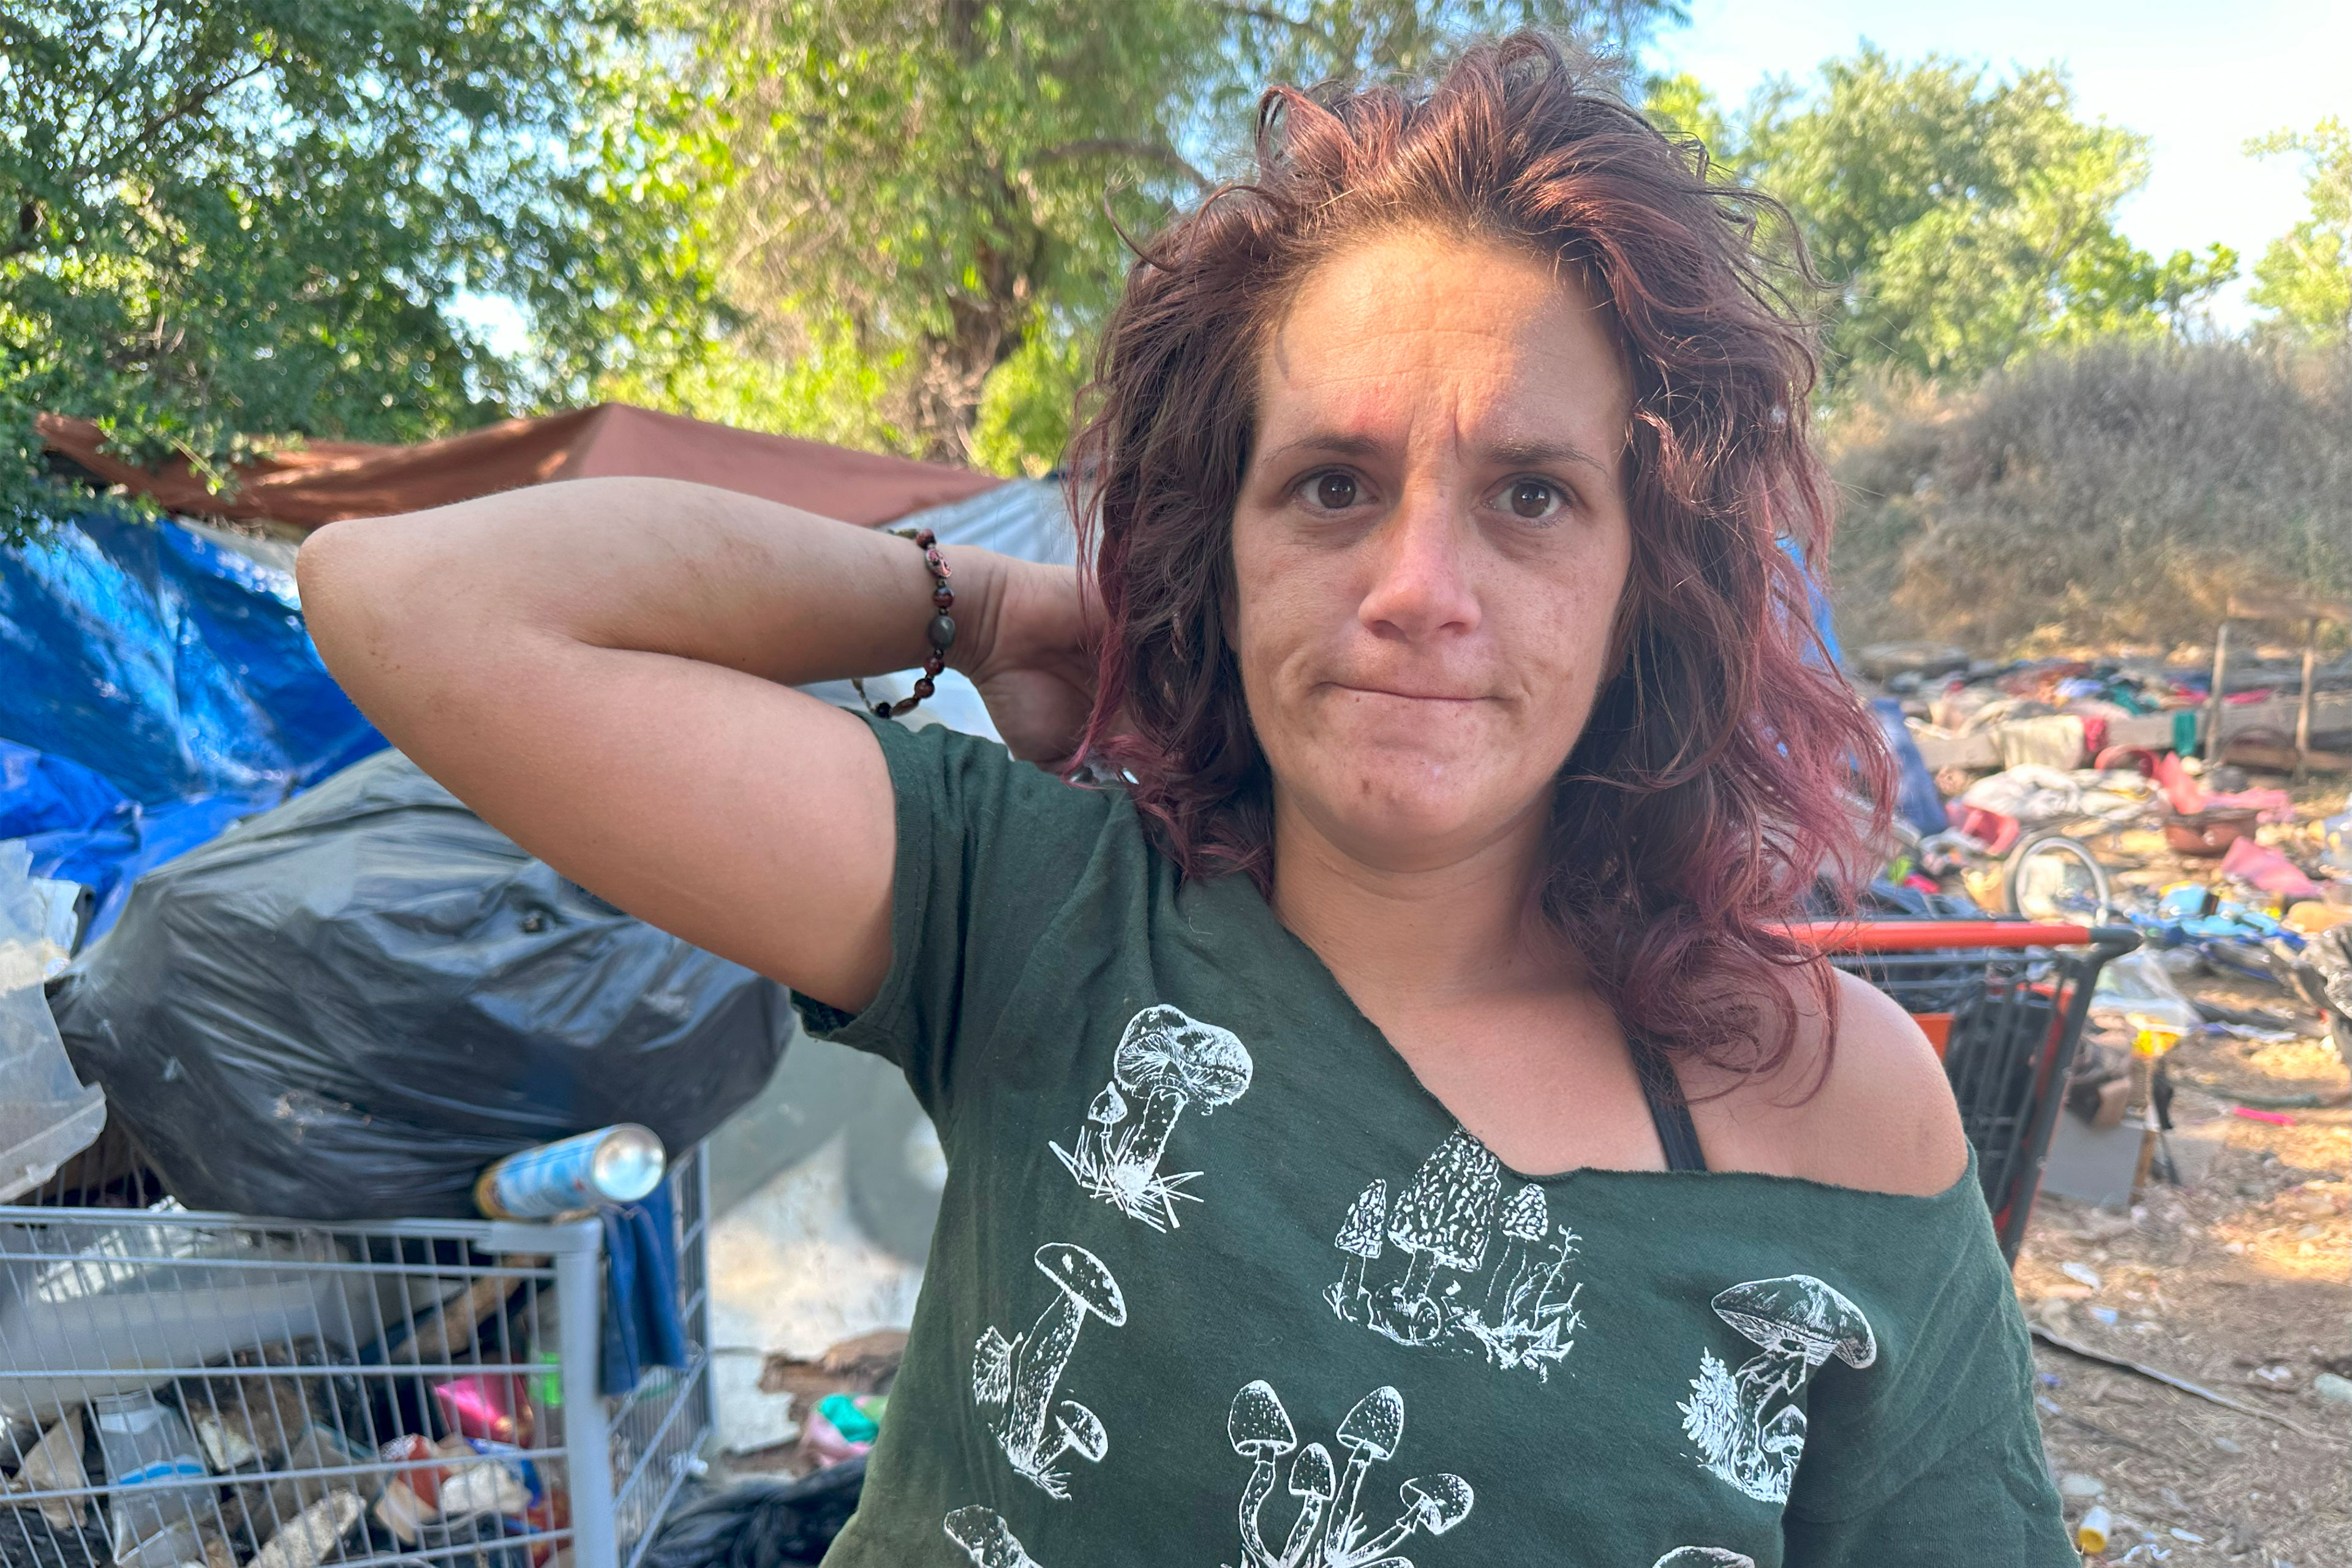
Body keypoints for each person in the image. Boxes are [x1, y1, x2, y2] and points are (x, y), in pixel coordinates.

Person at [300, 34, 2073, 1567]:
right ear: (1215, 559)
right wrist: (984, 607)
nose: (1418, 589)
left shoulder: (1826, 1109)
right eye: (1331, 486)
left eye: (1533, 496)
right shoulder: (1035, 917)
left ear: (1647, 589)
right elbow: (412, 603)